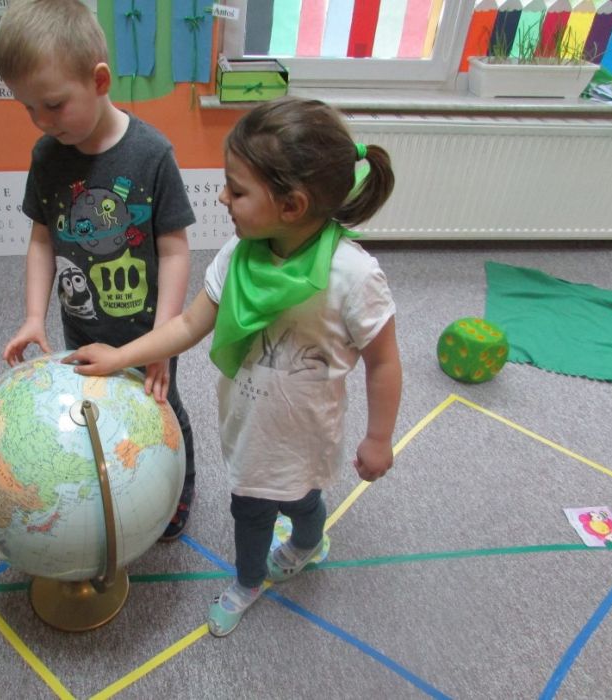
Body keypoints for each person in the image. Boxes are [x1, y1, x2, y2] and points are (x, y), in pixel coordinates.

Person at [65, 96, 403, 637]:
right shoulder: (237, 255)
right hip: (249, 429)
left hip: (306, 435)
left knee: (304, 502)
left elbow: (383, 362)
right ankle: (250, 580)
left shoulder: (355, 277)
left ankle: (307, 543)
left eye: (237, 190)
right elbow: (187, 325)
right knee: (250, 511)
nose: (222, 197)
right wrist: (121, 357)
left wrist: (380, 438)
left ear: (291, 205)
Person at [0, 0, 197, 540]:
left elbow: (176, 251)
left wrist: (164, 338)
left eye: (54, 105)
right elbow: (42, 239)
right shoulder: (47, 156)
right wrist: (33, 316)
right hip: (82, 325)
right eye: (28, 108)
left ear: (99, 80)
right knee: (96, 410)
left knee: (162, 413)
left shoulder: (152, 154)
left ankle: (176, 493)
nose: (42, 121)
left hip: (147, 332)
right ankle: (113, 491)